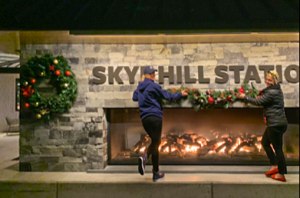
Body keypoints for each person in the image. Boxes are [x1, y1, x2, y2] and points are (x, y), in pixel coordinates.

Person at [132, 66, 188, 182]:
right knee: (156, 142)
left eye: (154, 73)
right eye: (151, 73)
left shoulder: (140, 87)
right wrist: (180, 94)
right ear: (147, 75)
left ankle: (156, 173)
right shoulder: (153, 85)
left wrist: (140, 88)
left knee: (155, 143)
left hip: (145, 120)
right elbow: (168, 96)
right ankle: (145, 157)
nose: (154, 75)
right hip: (155, 118)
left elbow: (134, 97)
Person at [235, 71, 288, 182]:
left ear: (275, 81)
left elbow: (258, 102)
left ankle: (281, 174)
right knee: (265, 142)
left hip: (275, 124)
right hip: (274, 123)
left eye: (270, 80)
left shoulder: (272, 92)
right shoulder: (275, 90)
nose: (267, 81)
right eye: (267, 79)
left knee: (278, 149)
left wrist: (244, 96)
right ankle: (274, 166)